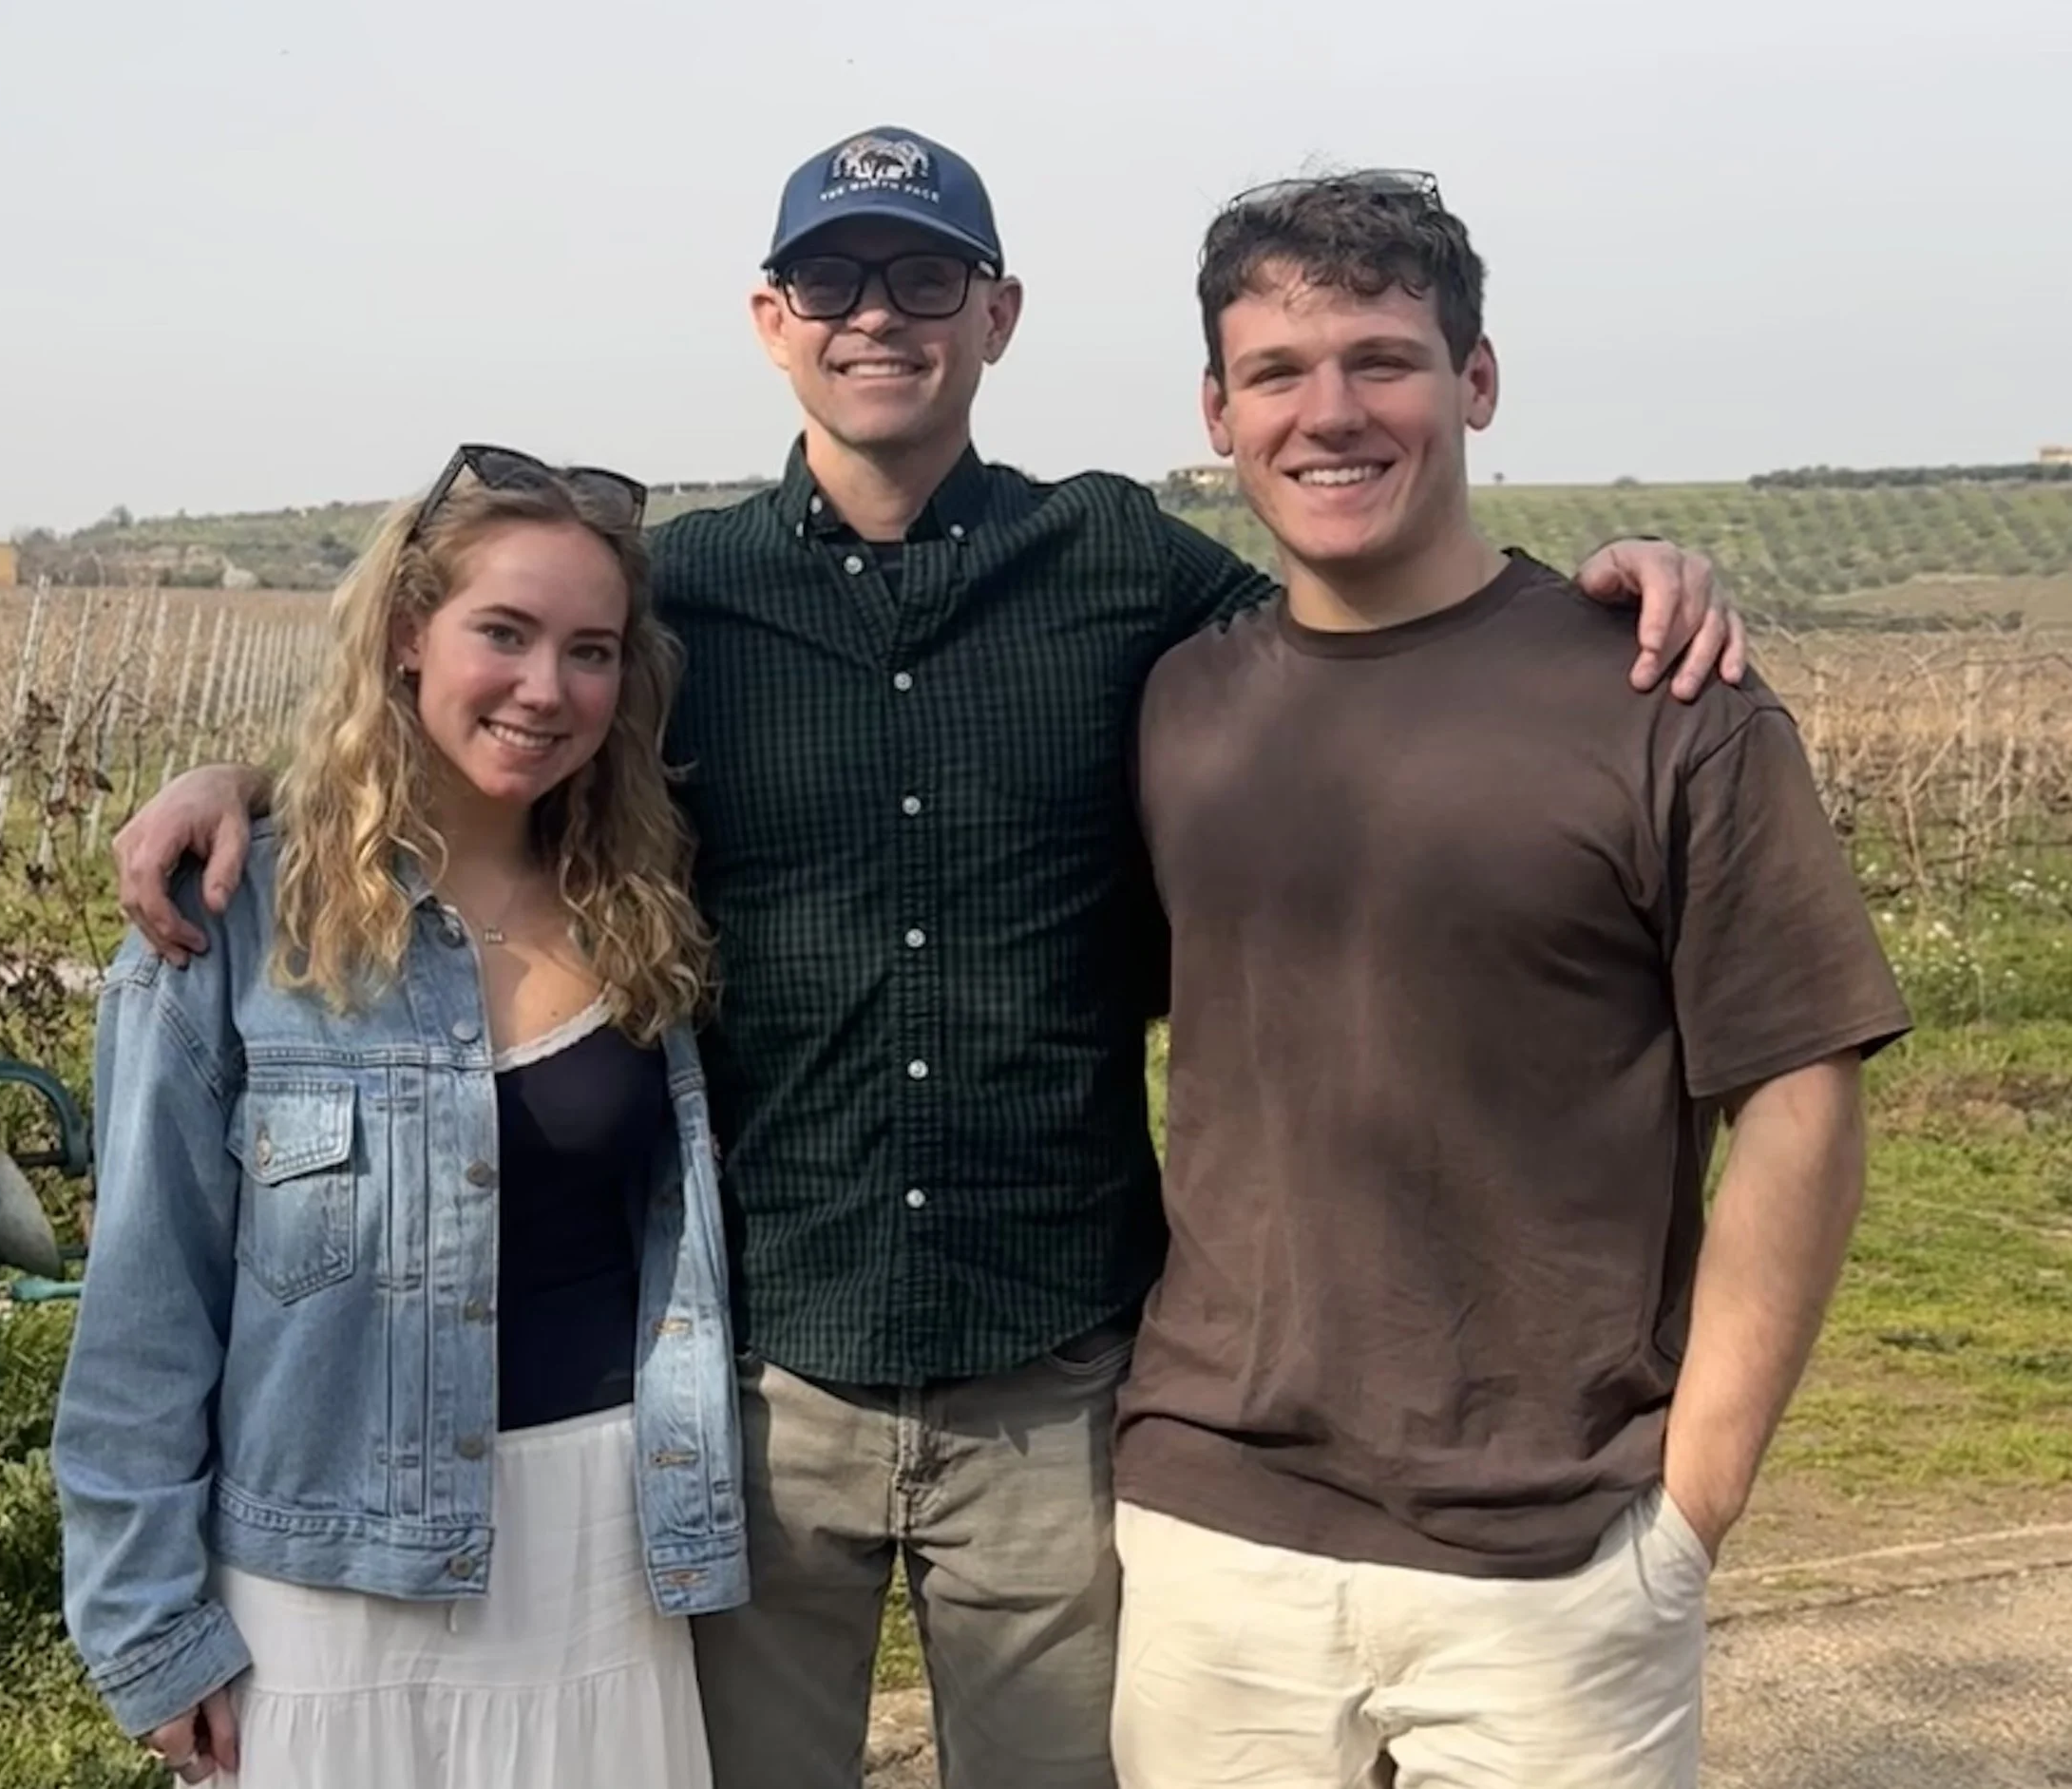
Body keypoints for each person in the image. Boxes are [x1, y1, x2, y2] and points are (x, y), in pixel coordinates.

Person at [108, 129, 1751, 1789]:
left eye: (922, 277)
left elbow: (1372, 613)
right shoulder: (685, 600)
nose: (874, 315)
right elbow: (500, 726)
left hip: (1054, 1371)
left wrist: (1600, 589)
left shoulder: (1122, 567)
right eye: (832, 277)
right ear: (772, 315)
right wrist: (256, 789)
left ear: (998, 313)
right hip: (759, 1382)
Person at [1111, 169, 1911, 1789]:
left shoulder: (1665, 700)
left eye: (1382, 359)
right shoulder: (1178, 705)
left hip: (1557, 1556)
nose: (1329, 411)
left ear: (1475, 380)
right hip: (1217, 1535)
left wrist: (1692, 1508)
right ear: (1216, 408)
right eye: (1276, 371)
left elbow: (1800, 1099)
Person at [53, 447, 748, 1789]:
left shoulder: (647, 903)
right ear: (404, 635)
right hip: (322, 1590)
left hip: (602, 1559)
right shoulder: (234, 923)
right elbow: (146, 1295)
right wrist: (143, 1623)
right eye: (505, 631)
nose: (548, 688)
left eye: (591, 649)